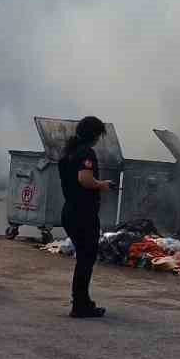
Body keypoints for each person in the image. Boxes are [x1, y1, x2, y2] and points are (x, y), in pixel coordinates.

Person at [58, 115, 115, 318]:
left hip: (70, 211)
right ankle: (80, 305)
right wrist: (103, 185)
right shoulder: (86, 153)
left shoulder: (69, 152)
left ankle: (82, 301)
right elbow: (85, 179)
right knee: (86, 258)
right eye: (99, 135)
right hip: (83, 214)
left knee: (84, 257)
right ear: (94, 135)